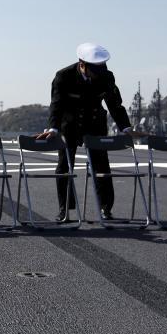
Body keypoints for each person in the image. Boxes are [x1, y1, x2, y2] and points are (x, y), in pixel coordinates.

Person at [36, 43, 134, 222]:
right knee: (64, 166)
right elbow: (56, 104)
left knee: (102, 166)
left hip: (95, 124)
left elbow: (115, 104)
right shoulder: (63, 76)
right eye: (94, 71)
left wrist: (126, 128)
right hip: (69, 125)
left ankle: (105, 208)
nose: (98, 75)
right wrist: (53, 128)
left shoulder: (106, 76)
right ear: (82, 65)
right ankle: (64, 209)